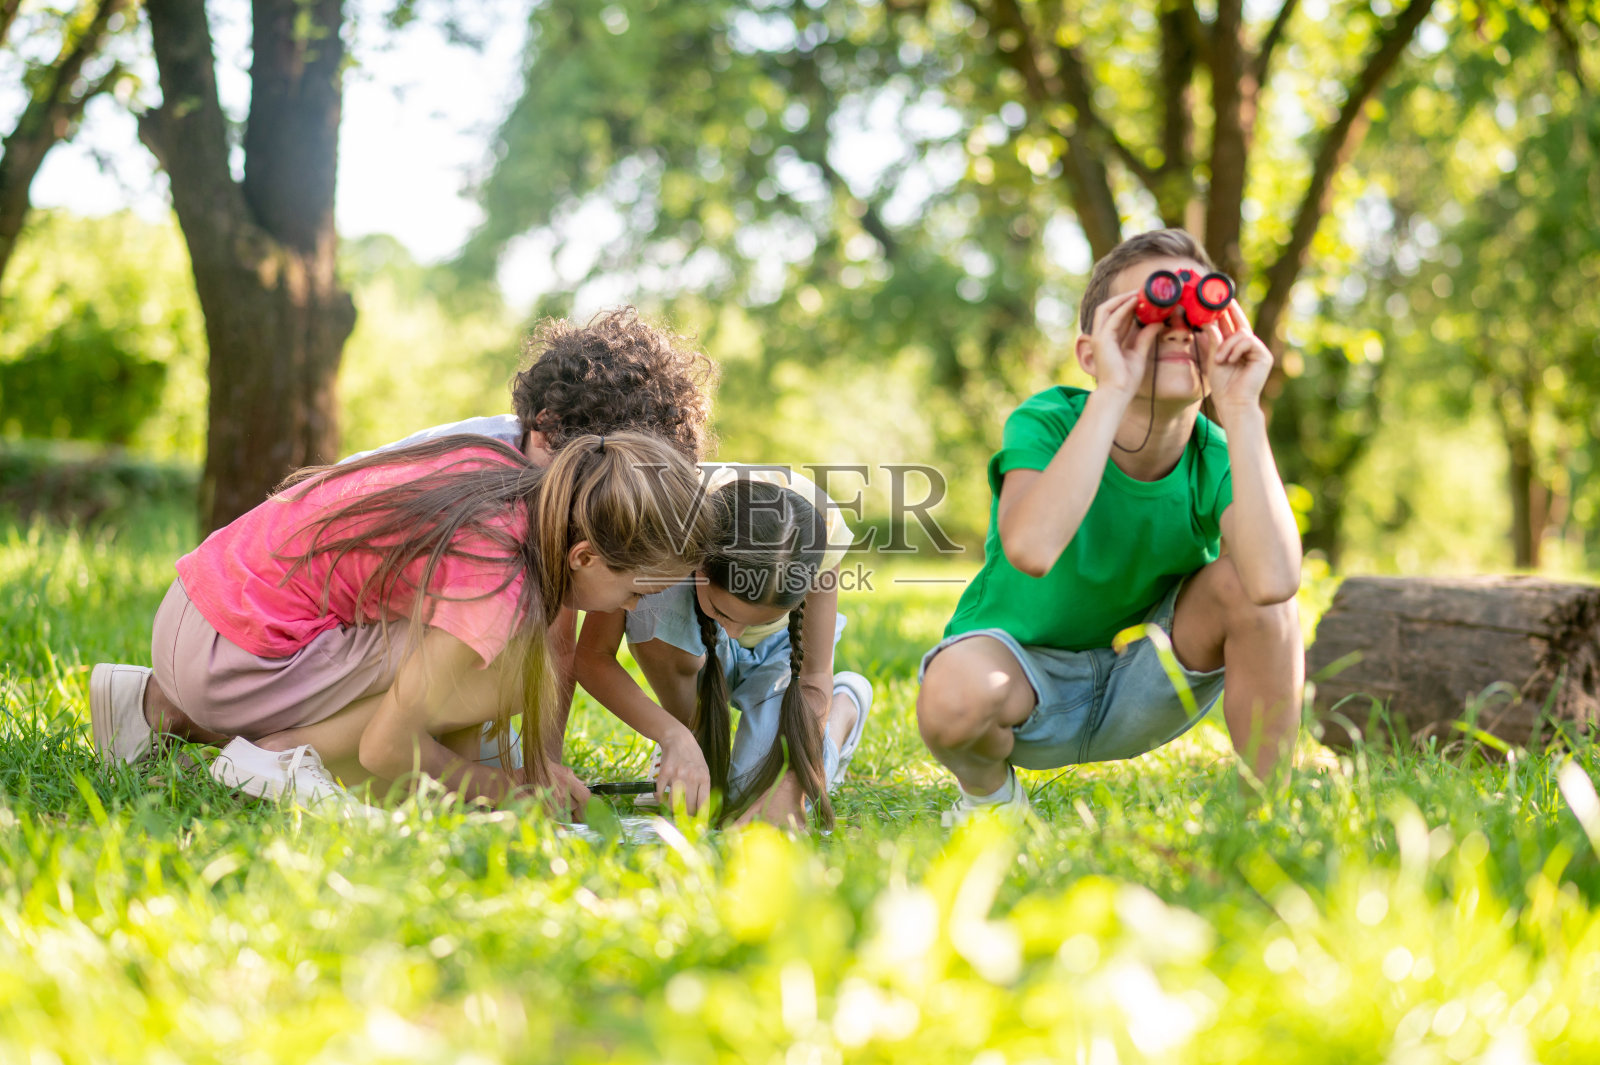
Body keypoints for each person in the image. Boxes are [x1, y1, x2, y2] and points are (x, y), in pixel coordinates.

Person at [89, 433, 714, 814]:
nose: (630, 609)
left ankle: (146, 707)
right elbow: (386, 748)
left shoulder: (501, 477)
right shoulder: (496, 579)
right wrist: (505, 794)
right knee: (509, 671)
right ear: (585, 556)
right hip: (229, 657)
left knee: (487, 679)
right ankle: (275, 760)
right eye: (635, 591)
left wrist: (470, 784)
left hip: (198, 611)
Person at [916, 228, 1303, 823]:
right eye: (1148, 313)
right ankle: (991, 800)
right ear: (1091, 353)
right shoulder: (1049, 420)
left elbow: (1275, 582)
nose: (1176, 327)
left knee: (1250, 583)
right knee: (950, 696)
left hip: (1150, 676)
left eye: (1198, 312)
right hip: (1023, 677)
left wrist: (1242, 408)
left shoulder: (1217, 456)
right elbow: (1032, 547)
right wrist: (1114, 389)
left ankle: (1266, 811)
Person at [345, 306, 718, 800]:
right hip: (322, 631)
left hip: (358, 628)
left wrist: (547, 763)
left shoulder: (543, 468)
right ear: (547, 427)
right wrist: (536, 770)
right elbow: (550, 644)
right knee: (506, 665)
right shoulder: (497, 483)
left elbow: (558, 643)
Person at [575, 469, 873, 828]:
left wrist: (795, 785)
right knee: (651, 605)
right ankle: (692, 737)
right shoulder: (665, 519)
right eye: (722, 612)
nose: (733, 633)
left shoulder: (823, 529)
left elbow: (812, 675)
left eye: (759, 619)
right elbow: (592, 657)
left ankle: (844, 708)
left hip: (779, 655)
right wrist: (674, 736)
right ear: (700, 564)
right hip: (692, 644)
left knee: (752, 793)